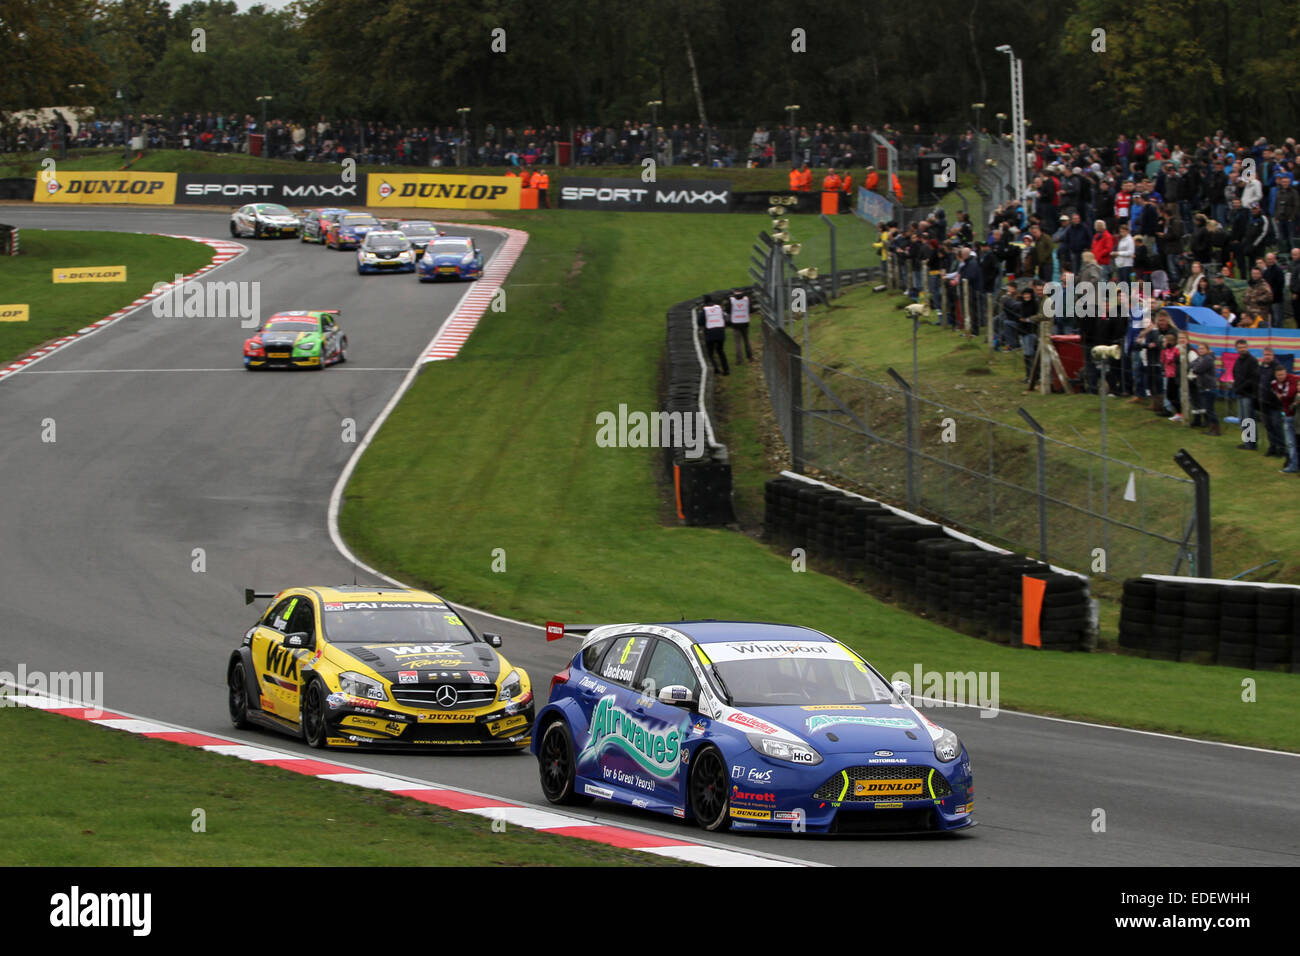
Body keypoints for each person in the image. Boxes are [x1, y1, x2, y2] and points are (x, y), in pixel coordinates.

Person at [1270, 362, 1300, 472]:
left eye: (1283, 374)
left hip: (1293, 417)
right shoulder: (1274, 383)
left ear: (1286, 373)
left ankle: (1293, 465)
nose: (1281, 377)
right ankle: (1293, 464)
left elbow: (1289, 394)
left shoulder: (1293, 379)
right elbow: (1274, 389)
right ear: (1275, 375)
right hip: (1289, 416)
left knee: (1292, 442)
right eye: (1279, 375)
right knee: (1292, 443)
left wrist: (1282, 396)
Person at [1257, 347, 1287, 457]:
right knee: (1268, 426)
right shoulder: (1262, 367)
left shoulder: (1277, 367)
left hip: (1275, 403)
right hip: (1264, 402)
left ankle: (1282, 448)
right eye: (1265, 354)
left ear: (1273, 356)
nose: (1267, 356)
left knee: (1276, 425)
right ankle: (1272, 447)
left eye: (1269, 354)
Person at [1231, 339, 1259, 450]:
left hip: (1248, 394)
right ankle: (1247, 442)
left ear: (1247, 347)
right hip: (1240, 393)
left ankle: (1251, 444)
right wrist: (1235, 385)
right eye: (1240, 347)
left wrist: (1240, 387)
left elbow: (1253, 378)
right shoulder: (1238, 360)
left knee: (1249, 419)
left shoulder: (1252, 361)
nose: (1242, 349)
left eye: (1244, 347)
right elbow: (1234, 373)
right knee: (1242, 419)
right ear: (1236, 349)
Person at [1191, 343, 1221, 435]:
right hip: (1204, 386)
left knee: (1210, 409)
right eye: (1199, 348)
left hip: (1209, 387)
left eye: (1203, 348)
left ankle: (1216, 429)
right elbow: (1190, 364)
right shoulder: (1201, 358)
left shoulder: (1208, 359)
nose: (1200, 350)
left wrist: (1195, 366)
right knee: (1208, 409)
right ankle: (1212, 428)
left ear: (1207, 349)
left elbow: (1197, 370)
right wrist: (1196, 365)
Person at [697, 295, 729, 376]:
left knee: (710, 353)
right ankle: (726, 370)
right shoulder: (719, 308)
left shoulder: (704, 310)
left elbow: (700, 322)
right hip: (720, 332)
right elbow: (725, 317)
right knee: (720, 351)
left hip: (710, 333)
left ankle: (716, 369)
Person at [727, 288, 752, 363]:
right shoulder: (746, 299)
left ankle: (739, 359)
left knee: (737, 342)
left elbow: (728, 311)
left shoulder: (731, 300)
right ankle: (750, 357)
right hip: (745, 322)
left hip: (735, 323)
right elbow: (751, 310)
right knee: (746, 340)